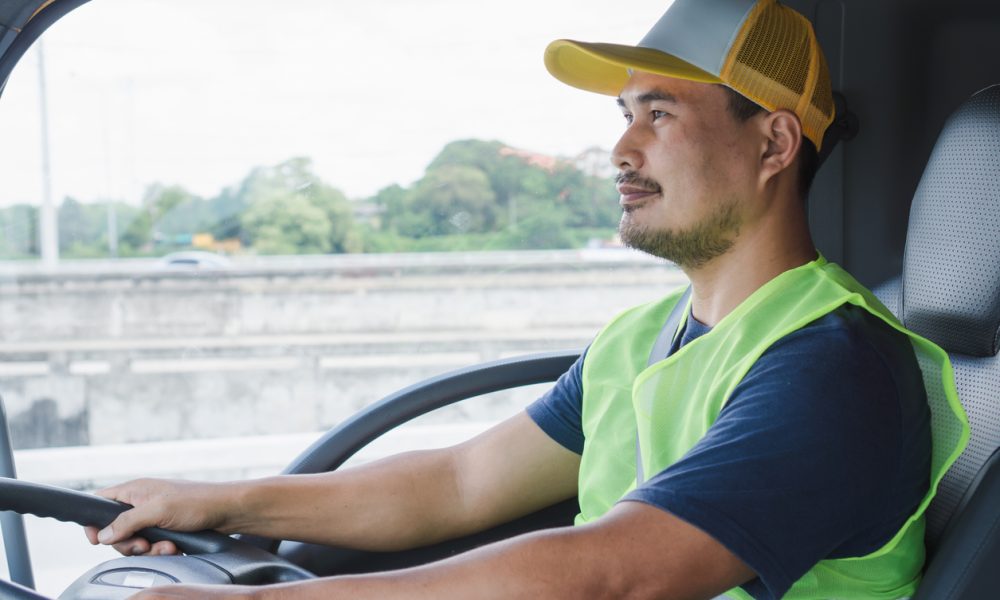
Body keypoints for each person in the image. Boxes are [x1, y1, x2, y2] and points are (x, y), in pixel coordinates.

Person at [86, 0, 968, 598]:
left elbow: (610, 575)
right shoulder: (643, 340)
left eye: (658, 114)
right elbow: (458, 483)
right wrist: (219, 502)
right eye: (621, 115)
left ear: (774, 143)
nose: (621, 149)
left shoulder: (832, 369)